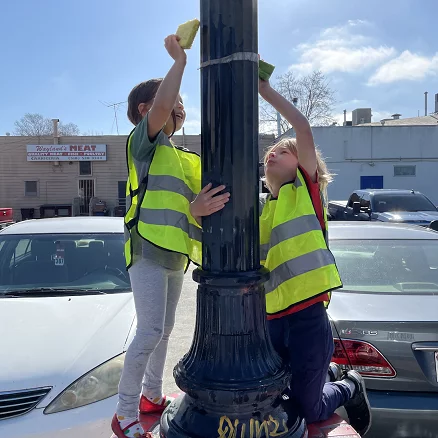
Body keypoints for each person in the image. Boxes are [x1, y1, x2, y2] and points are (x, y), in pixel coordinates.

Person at [112, 34, 230, 438]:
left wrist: (196, 211)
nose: (179, 106)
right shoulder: (142, 145)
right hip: (146, 251)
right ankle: (124, 412)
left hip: (174, 257)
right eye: (172, 102)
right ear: (146, 111)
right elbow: (163, 105)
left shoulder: (180, 157)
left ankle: (151, 396)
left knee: (162, 332)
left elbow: (188, 210)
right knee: (148, 332)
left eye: (181, 103)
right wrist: (179, 61)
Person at [258, 76, 372, 436]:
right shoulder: (264, 210)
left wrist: (265, 91)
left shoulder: (304, 193)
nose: (271, 154)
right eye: (268, 153)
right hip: (273, 319)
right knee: (281, 399)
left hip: (307, 317)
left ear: (306, 167)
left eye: (283, 150)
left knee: (310, 408)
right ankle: (329, 373)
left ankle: (349, 384)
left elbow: (302, 128)